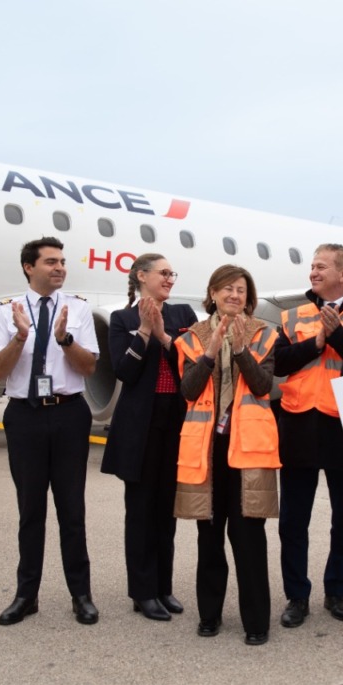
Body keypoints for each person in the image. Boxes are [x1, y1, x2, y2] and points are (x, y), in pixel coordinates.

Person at [0, 236, 100, 627]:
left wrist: (65, 339)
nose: (60, 268)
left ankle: (81, 595)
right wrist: (21, 336)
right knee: (30, 511)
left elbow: (88, 367)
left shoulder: (78, 309)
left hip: (69, 413)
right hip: (25, 416)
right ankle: (26, 595)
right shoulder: (6, 312)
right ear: (28, 267)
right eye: (51, 262)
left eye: (62, 262)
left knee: (72, 510)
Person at [174, 265, 280, 645]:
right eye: (227, 289)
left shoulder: (264, 334)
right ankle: (209, 615)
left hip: (248, 447)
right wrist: (211, 352)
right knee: (209, 536)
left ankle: (257, 622)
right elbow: (188, 391)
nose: (234, 295)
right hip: (208, 447)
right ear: (213, 293)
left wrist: (239, 349)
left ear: (248, 297)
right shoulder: (191, 338)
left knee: (249, 537)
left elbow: (264, 386)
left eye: (241, 290)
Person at [273, 244, 343, 628]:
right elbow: (278, 363)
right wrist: (315, 342)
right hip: (298, 421)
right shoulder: (292, 315)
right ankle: (297, 596)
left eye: (321, 266)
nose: (313, 272)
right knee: (292, 521)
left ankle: (336, 592)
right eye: (312, 266)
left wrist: (337, 335)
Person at [101, 254, 198, 621]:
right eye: (163, 273)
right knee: (141, 510)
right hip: (140, 424)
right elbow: (125, 371)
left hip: (175, 420)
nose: (170, 279)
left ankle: (163, 587)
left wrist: (163, 337)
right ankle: (142, 592)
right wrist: (143, 331)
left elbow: (193, 366)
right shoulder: (122, 320)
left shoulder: (183, 315)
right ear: (141, 276)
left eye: (173, 273)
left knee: (166, 510)